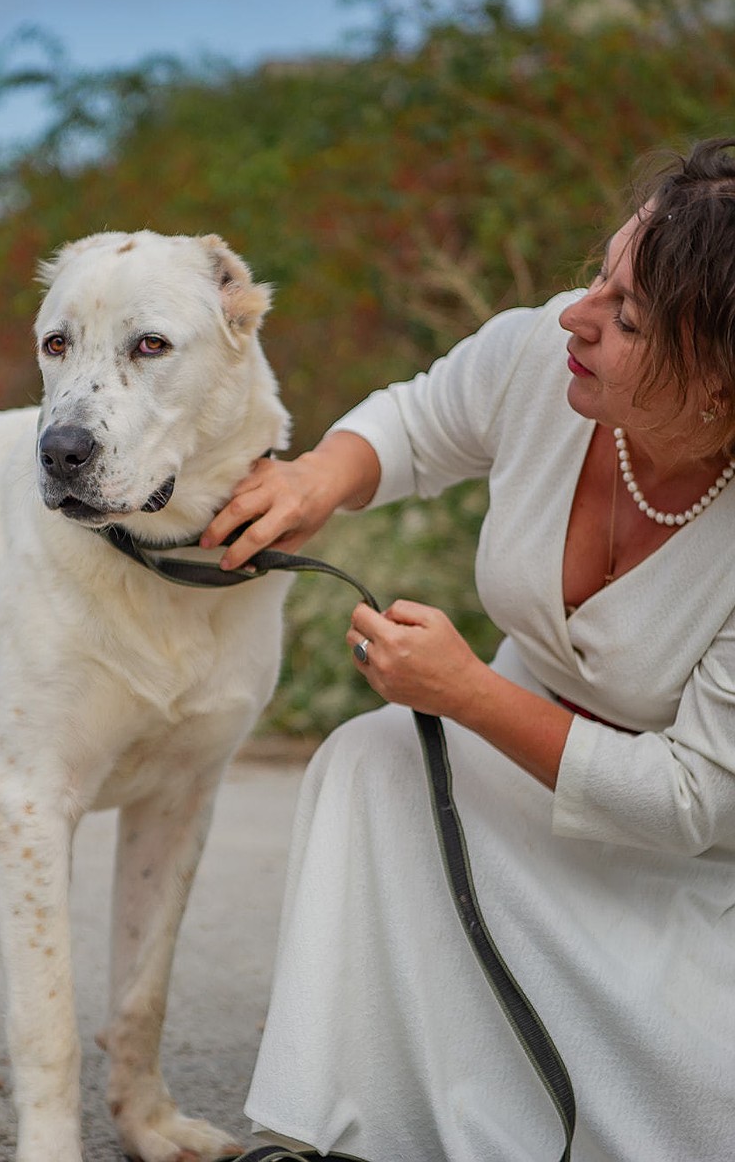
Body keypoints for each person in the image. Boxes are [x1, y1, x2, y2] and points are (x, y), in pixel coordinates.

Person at [201, 138, 735, 1162]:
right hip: (515, 792)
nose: (578, 316)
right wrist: (316, 482)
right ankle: (326, 1130)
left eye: (627, 317)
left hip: (690, 878)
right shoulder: (549, 355)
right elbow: (417, 421)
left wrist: (470, 695)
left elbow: (690, 802)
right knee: (373, 759)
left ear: (717, 379)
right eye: (603, 274)